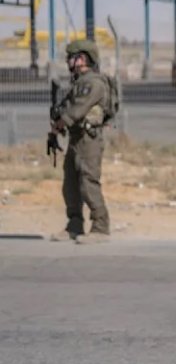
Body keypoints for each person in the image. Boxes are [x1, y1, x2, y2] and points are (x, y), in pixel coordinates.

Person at [48, 39, 112, 245]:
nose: (68, 61)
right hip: (76, 138)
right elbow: (68, 108)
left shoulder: (93, 83)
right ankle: (74, 224)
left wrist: (60, 123)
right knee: (71, 184)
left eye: (71, 57)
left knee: (88, 182)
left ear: (82, 59)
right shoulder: (79, 82)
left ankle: (100, 227)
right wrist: (56, 124)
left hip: (88, 140)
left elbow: (77, 111)